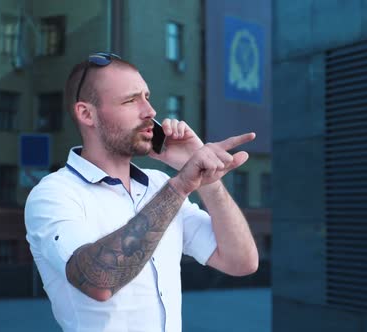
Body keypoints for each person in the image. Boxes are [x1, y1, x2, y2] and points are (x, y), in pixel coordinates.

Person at [24, 52, 259, 332]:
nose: (150, 111)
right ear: (86, 113)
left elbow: (241, 262)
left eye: (147, 97)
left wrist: (207, 181)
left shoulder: (159, 185)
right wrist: (182, 184)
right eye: (131, 100)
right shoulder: (54, 194)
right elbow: (99, 281)